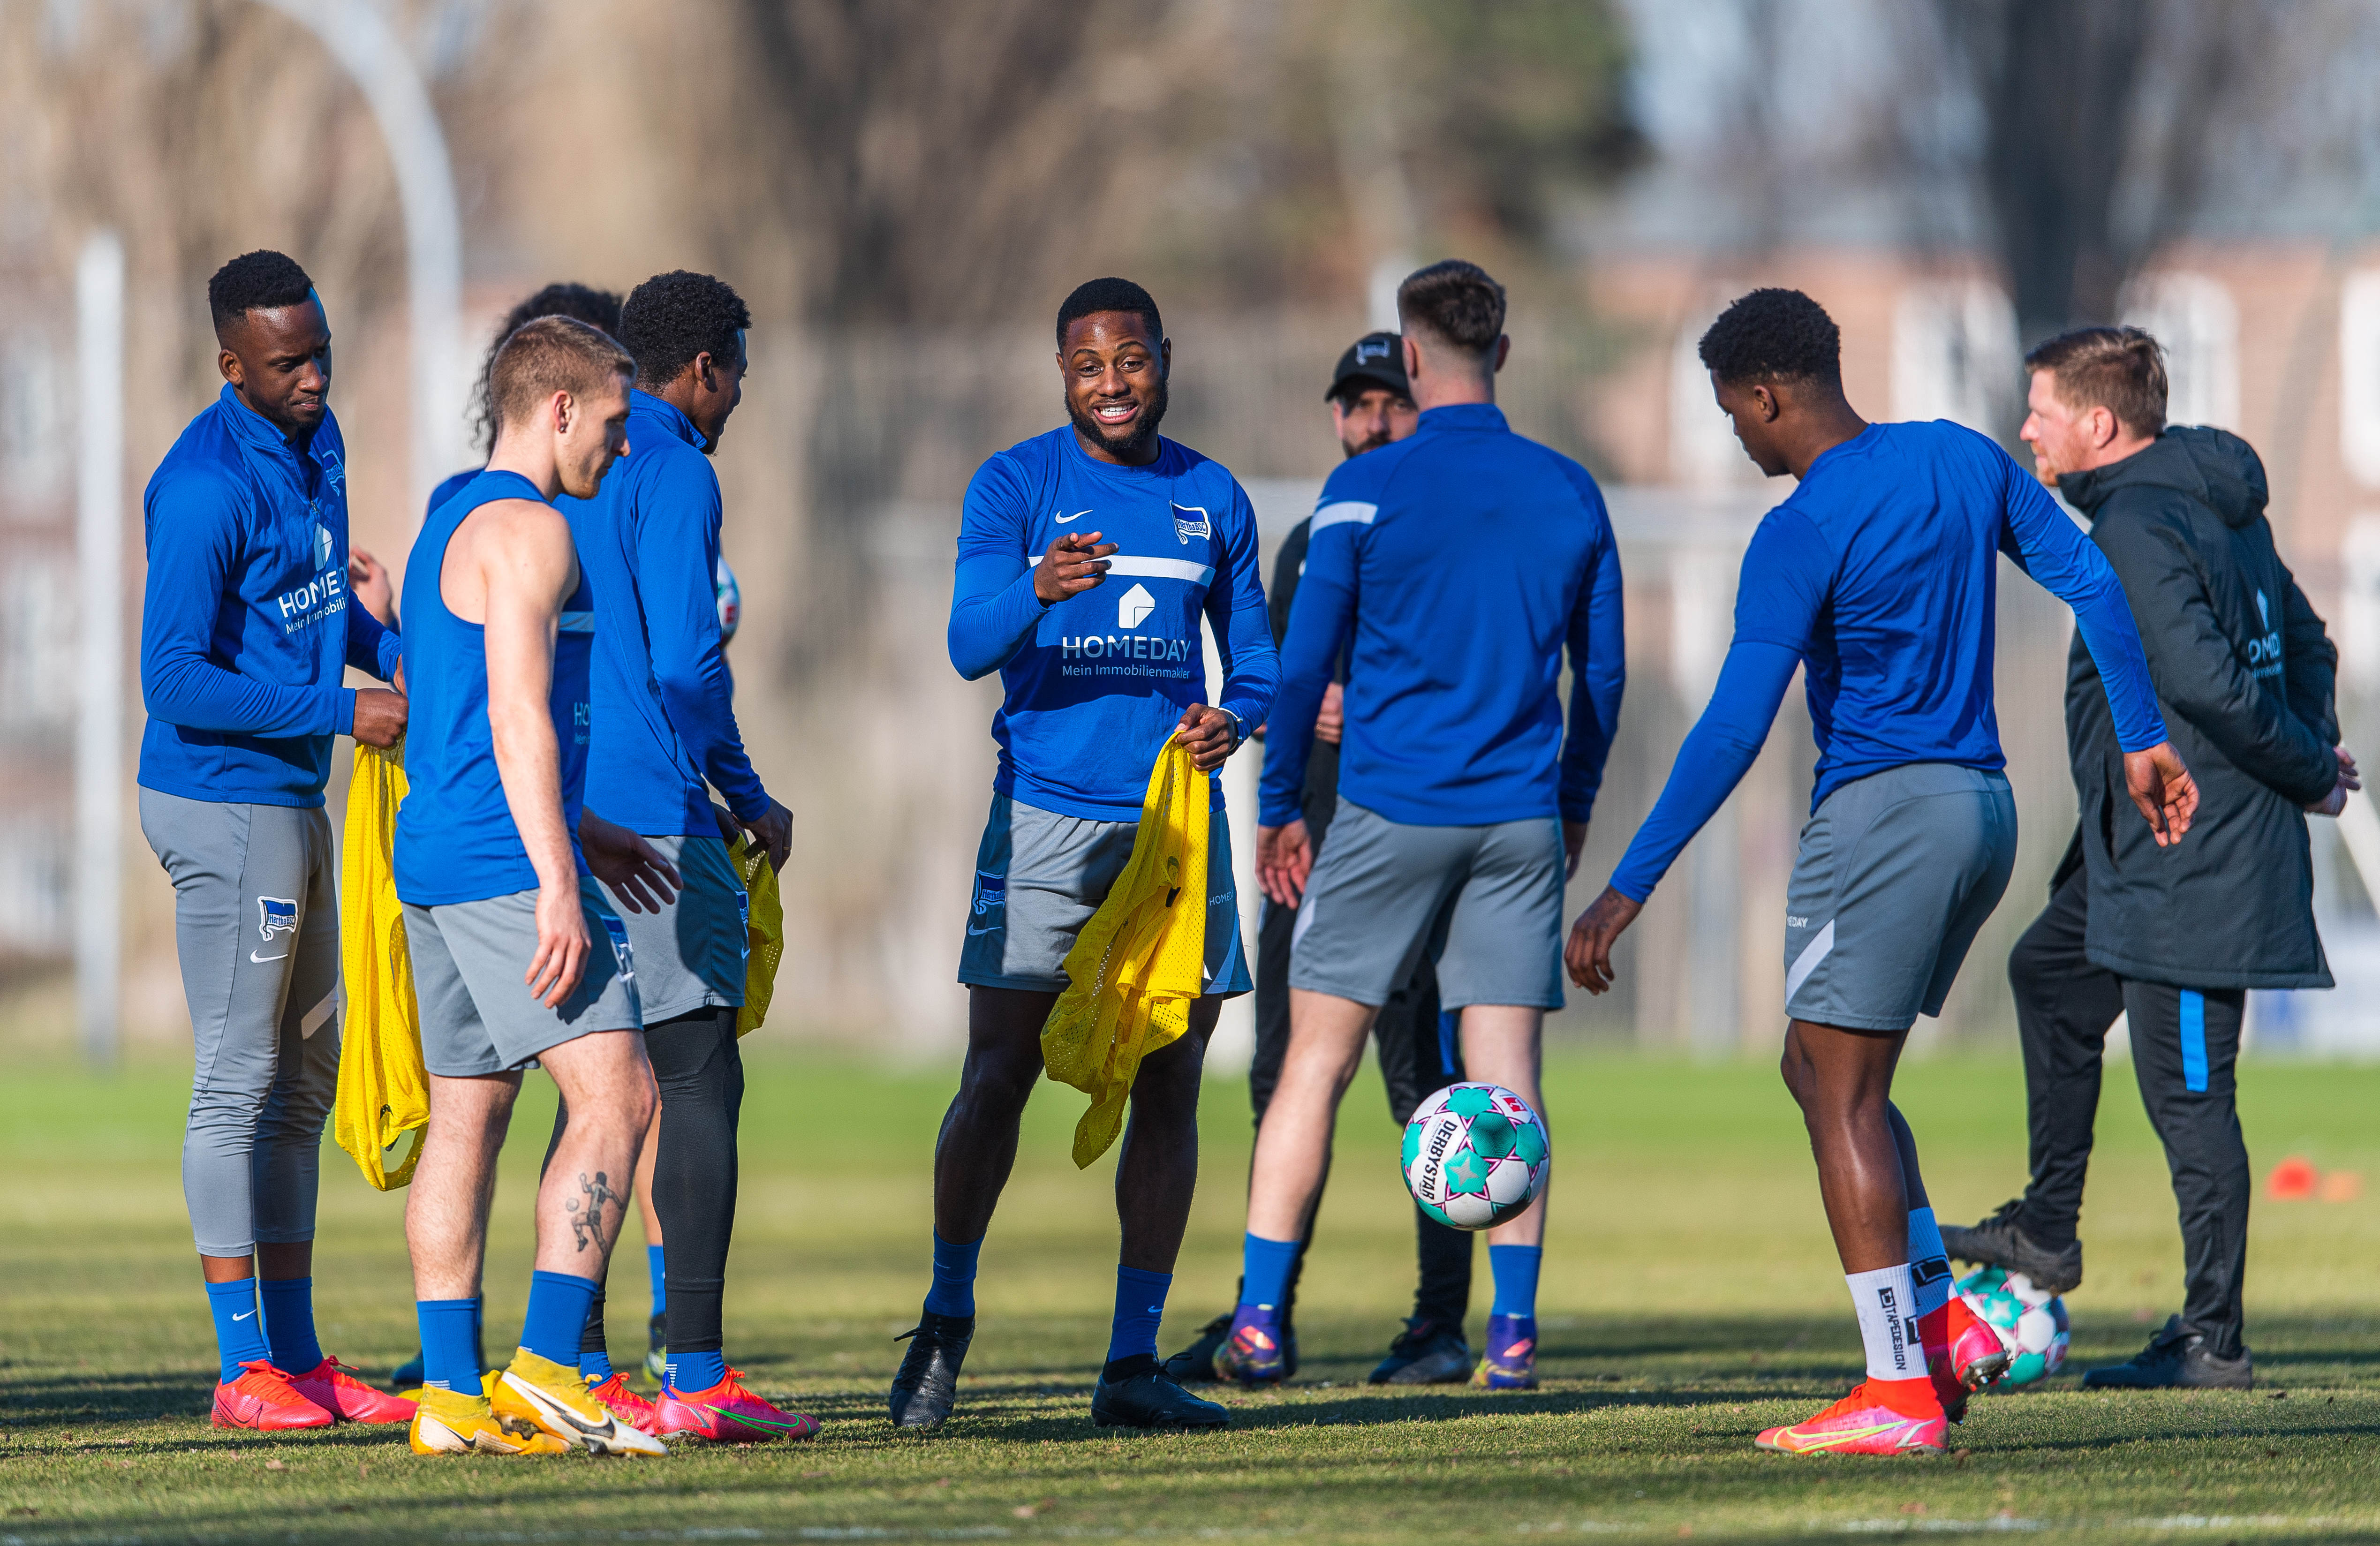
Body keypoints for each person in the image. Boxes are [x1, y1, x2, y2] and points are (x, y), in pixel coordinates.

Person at [1563, 288, 2199, 1456]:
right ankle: (1944, 1326)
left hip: (1883, 816)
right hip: (1982, 806)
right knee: (1821, 1067)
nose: (1738, 440)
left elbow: (1731, 729)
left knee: (1841, 1091)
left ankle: (1897, 1389)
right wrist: (2146, 732)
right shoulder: (1960, 458)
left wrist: (1627, 883)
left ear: (1767, 394)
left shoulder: (1799, 531)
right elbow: (2096, 581)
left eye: (1732, 415)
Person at [1227, 262, 1626, 1394]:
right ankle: (1510, 1334)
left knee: (1314, 1061)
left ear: (1411, 358)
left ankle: (1260, 1318)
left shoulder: (1364, 495)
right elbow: (1602, 675)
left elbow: (1304, 666)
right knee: (1506, 1078)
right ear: (1501, 352)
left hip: (1387, 809)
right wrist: (1577, 802)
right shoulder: (1569, 491)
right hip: (1516, 820)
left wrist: (1275, 812)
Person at [890, 277, 1278, 1433]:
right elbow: (968, 642)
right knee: (996, 1072)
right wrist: (1038, 588)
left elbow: (1255, 659)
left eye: (1131, 360)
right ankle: (947, 1318)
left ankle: (1131, 1360)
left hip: (1173, 828)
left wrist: (1236, 718)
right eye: (1087, 366)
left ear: (1166, 354)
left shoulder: (1214, 497)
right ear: (1062, 372)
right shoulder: (1015, 486)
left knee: (1172, 1076)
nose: (1111, 384)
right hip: (1046, 816)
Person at [1941, 327, 2352, 1392]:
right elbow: (2309, 643)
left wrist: (2307, 769)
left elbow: (2210, 682)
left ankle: (2213, 1340)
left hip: (2191, 862)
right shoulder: (2204, 501)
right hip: (2134, 856)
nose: (2025, 427)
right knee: (2050, 975)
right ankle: (2047, 1229)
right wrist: (2308, 734)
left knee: (2190, 1099)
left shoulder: (2135, 520)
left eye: (2040, 410)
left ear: (2099, 424)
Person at [1169, 330, 1479, 1389]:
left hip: (1413, 841)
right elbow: (1280, 683)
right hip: (1312, 845)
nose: (1368, 420)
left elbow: (1486, 672)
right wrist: (1281, 803)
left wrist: (1382, 711)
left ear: (1422, 407)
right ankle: (1268, 1319)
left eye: (1388, 400)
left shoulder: (1449, 530)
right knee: (1281, 1080)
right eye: (1352, 403)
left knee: (1425, 1090)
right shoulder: (1310, 539)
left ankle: (1441, 1325)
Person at [138, 249, 414, 1433]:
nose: (312, 377)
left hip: (294, 799)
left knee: (304, 1082)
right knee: (238, 1081)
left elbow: (305, 602)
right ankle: (241, 1367)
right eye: (287, 362)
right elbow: (172, 677)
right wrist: (338, 706)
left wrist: (393, 653)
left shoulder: (324, 441)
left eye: (321, 352)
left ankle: (298, 1361)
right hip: (221, 801)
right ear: (229, 364)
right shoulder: (201, 486)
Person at [395, 316, 675, 1458]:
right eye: (612, 421)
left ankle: (450, 1398)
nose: (619, 445)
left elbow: (452, 708)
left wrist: (589, 830)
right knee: (621, 1096)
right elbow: (514, 716)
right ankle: (554, 1365)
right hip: (508, 862)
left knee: (467, 1115)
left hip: (439, 856)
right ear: (558, 409)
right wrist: (560, 880)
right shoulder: (535, 530)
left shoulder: (446, 522)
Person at [551, 269, 810, 1441]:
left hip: (558, 818)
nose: (742, 391)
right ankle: (697, 1375)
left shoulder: (559, 467)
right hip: (655, 817)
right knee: (700, 1077)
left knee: (595, 1085)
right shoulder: (673, 467)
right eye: (739, 368)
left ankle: (578, 1364)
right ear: (703, 367)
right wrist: (748, 795)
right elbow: (686, 670)